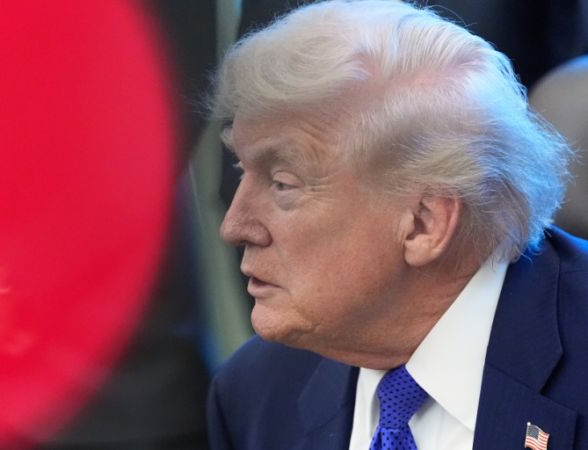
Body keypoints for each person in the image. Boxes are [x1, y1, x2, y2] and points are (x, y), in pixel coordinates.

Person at [206, 1, 588, 449]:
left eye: (282, 184)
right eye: (241, 170)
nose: (235, 226)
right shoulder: (257, 392)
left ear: (424, 224)